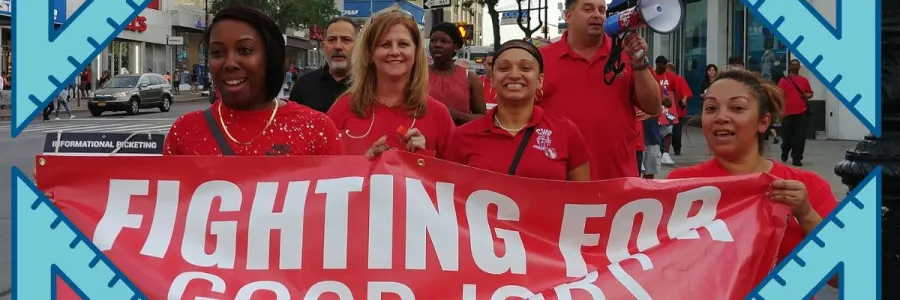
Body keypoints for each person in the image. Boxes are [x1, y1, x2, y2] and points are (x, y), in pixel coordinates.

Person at [667, 68, 837, 289]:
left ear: (763, 122)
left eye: (737, 108)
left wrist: (806, 215)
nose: (721, 117)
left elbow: (841, 277)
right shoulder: (679, 184)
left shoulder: (809, 187)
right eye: (711, 108)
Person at [163, 4, 343, 156]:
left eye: (245, 50)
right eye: (217, 52)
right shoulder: (183, 132)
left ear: (270, 57)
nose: (230, 63)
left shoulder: (316, 129)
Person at [539, 0, 661, 180]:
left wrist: (640, 64)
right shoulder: (541, 59)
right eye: (588, 9)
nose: (597, 15)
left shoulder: (625, 54)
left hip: (617, 179)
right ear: (568, 16)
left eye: (601, 10)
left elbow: (653, 107)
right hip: (557, 179)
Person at [445, 40, 591, 181]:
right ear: (493, 79)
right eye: (503, 68)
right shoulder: (461, 137)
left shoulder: (566, 133)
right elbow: (447, 198)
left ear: (540, 80)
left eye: (525, 68)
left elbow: (582, 200)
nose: (514, 75)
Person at [326, 6, 455, 159]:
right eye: (385, 44)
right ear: (370, 54)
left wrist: (425, 158)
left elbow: (456, 177)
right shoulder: (344, 107)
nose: (394, 51)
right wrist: (364, 164)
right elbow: (322, 173)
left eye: (403, 44)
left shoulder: (438, 114)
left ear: (416, 51)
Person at [290, 17, 359, 113]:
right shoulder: (303, 85)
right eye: (331, 40)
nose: (338, 46)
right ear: (323, 47)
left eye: (346, 40)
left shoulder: (370, 87)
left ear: (359, 46)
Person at [427, 22, 486, 125]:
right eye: (433, 40)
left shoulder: (470, 78)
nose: (437, 45)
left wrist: (459, 116)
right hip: (423, 138)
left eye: (444, 41)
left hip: (460, 139)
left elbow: (483, 118)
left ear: (456, 46)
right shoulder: (417, 75)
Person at [778, 59, 814, 166]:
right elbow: (779, 96)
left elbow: (810, 93)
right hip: (787, 114)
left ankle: (797, 158)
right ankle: (785, 151)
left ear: (799, 67)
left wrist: (807, 95)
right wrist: (780, 111)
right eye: (793, 65)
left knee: (800, 138)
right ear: (789, 67)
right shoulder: (783, 81)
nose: (795, 67)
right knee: (787, 138)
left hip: (801, 113)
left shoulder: (804, 80)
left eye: (797, 65)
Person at [666, 63, 693, 156]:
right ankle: (664, 149)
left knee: (676, 131)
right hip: (666, 110)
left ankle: (677, 148)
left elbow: (685, 93)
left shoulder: (679, 79)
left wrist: (684, 100)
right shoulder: (663, 79)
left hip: (677, 110)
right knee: (665, 130)